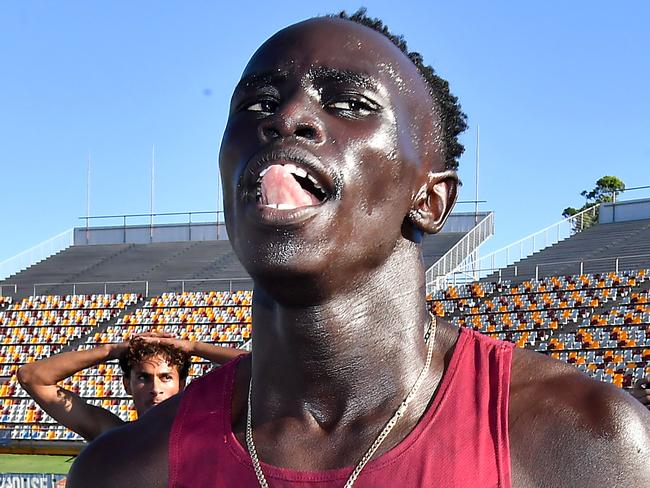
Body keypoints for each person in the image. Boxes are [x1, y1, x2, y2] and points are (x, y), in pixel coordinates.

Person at [68, 10, 650, 487]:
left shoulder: (584, 443)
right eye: (255, 106)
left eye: (348, 104)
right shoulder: (124, 472)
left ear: (428, 199)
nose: (286, 118)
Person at [18, 332, 245, 441]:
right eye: (143, 378)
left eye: (166, 377)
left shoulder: (211, 433)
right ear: (127, 385)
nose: (155, 388)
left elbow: (268, 367)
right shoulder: (114, 435)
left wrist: (193, 346)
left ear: (182, 384)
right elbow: (32, 377)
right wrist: (112, 350)